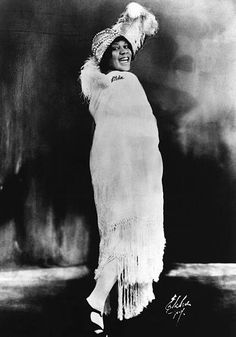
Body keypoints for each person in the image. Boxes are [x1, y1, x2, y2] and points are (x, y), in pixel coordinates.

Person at [80, 2, 165, 336]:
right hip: (126, 169)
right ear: (106, 59)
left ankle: (96, 303)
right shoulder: (121, 82)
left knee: (120, 239)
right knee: (124, 238)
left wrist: (134, 24)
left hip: (116, 166)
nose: (123, 53)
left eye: (126, 48)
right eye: (115, 50)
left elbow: (129, 130)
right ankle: (95, 299)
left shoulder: (106, 84)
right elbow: (131, 133)